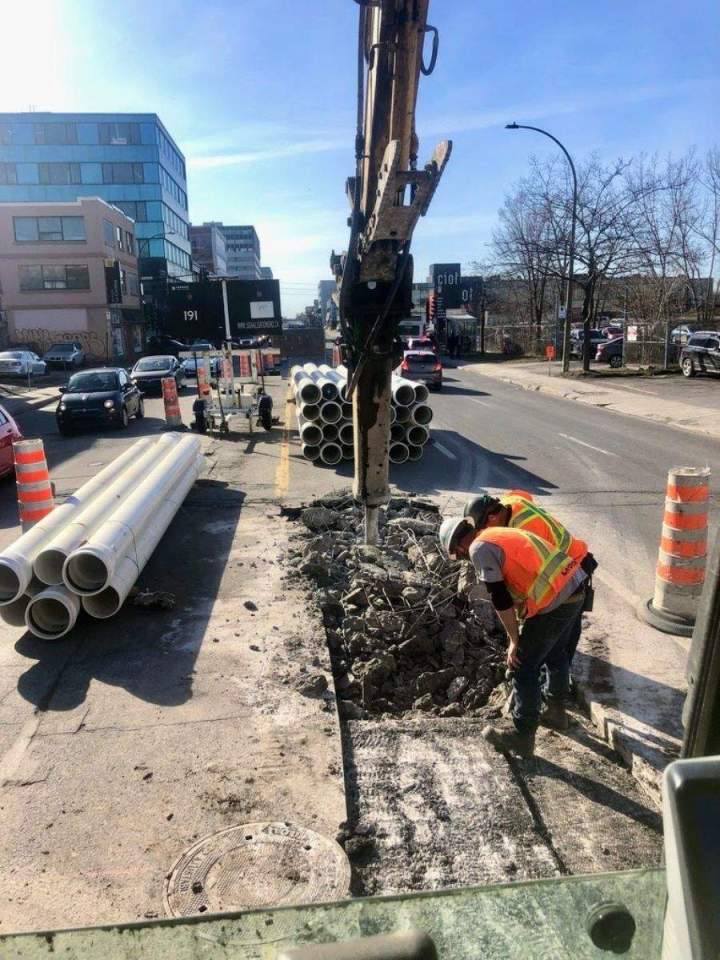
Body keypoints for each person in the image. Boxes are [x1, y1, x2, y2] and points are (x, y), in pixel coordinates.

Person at [439, 516, 588, 759]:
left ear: (458, 546)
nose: (463, 557)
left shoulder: (478, 549)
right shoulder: (496, 534)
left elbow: (500, 598)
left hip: (556, 599)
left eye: (458, 554)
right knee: (555, 652)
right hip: (576, 587)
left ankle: (522, 736)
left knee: (523, 665)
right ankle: (556, 712)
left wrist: (514, 640)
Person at [463, 491, 597, 668]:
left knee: (564, 638)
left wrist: (519, 631)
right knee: (559, 638)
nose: (483, 533)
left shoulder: (523, 529)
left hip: (573, 568)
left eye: (482, 528)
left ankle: (563, 671)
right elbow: (522, 494)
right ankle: (559, 670)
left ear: (492, 517)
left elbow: (534, 576)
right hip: (574, 562)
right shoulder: (510, 502)